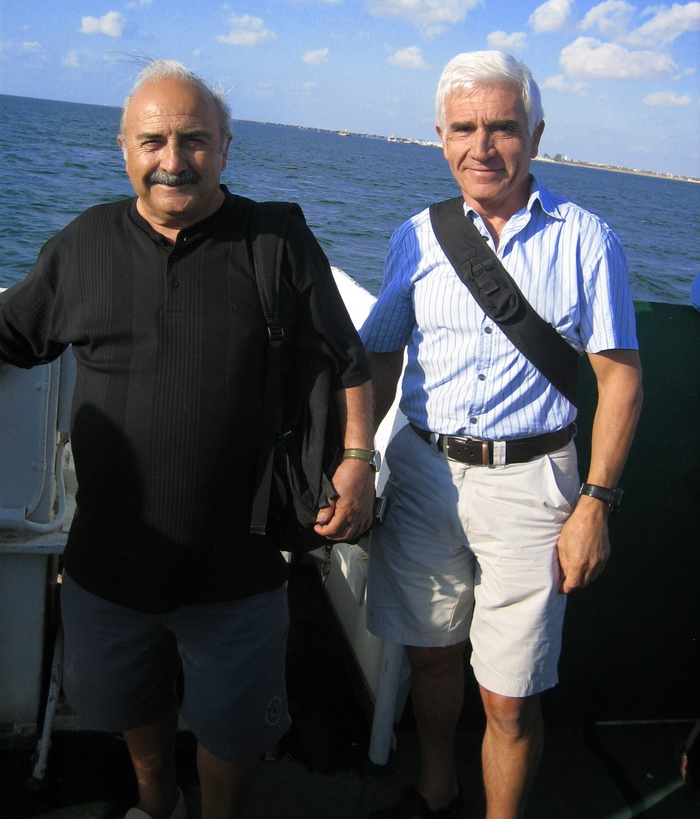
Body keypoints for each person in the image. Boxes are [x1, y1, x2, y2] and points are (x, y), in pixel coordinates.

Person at [0, 60, 376, 819]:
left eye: (194, 139)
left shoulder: (277, 238)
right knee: (131, 706)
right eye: (153, 141)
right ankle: (158, 799)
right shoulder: (83, 244)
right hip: (110, 560)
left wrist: (359, 461)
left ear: (226, 147)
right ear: (124, 148)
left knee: (234, 735)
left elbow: (348, 360)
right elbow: (14, 334)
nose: (173, 160)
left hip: (240, 564)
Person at [361, 51, 643, 819]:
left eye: (503, 127)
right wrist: (352, 458)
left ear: (536, 135)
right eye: (463, 128)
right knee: (429, 656)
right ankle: (437, 789)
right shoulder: (415, 237)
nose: (481, 147)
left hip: (532, 484)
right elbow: (380, 355)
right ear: (440, 137)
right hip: (424, 471)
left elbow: (620, 379)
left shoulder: (588, 240)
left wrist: (597, 502)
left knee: (510, 695)